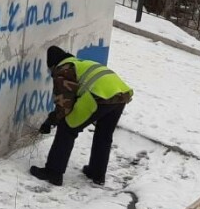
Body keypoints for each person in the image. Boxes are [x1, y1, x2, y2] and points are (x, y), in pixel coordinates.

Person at [30, 45, 133, 187]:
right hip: (121, 94)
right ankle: (97, 173)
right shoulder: (80, 63)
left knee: (67, 128)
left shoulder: (63, 70)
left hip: (100, 96)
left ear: (53, 65)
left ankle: (53, 172)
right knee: (104, 135)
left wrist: (50, 121)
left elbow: (64, 106)